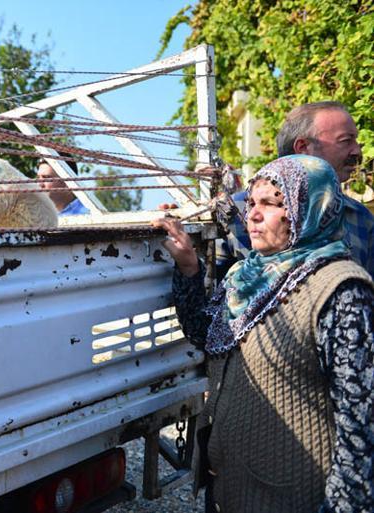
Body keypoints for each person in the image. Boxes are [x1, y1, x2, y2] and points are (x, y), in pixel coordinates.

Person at [152, 155, 374, 513]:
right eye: (252, 203)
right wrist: (189, 266)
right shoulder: (246, 277)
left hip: (290, 498)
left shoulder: (339, 289)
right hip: (230, 489)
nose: (252, 214)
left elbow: (361, 424)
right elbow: (204, 333)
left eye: (271, 203)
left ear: (312, 209)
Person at [219, 101, 373, 277]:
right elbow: (207, 291)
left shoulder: (360, 217)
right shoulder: (234, 213)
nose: (357, 151)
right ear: (303, 148)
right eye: (346, 141)